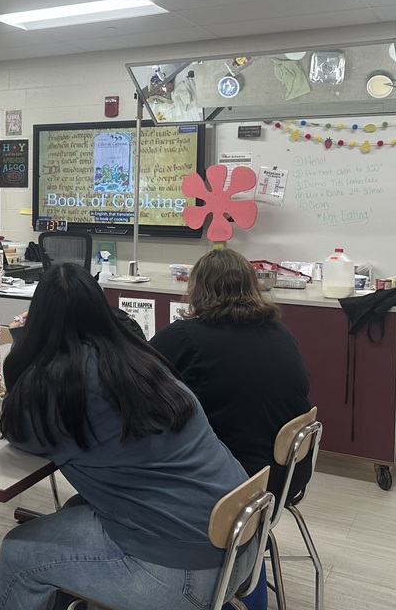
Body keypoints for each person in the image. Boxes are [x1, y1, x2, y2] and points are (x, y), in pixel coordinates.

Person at [0, 261, 257, 610]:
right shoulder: (141, 359)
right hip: (238, 547)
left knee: (18, 554)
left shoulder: (60, 384)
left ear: (39, 320)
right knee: (75, 507)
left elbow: (17, 430)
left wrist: (24, 345)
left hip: (182, 574)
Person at [149, 248, 313, 610]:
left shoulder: (184, 338)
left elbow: (135, 386)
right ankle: (247, 565)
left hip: (233, 491)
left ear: (197, 289)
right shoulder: (280, 332)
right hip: (284, 479)